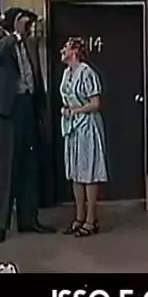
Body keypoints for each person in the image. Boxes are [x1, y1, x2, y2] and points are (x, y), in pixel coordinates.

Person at [0, 8, 56, 243]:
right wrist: (14, 36)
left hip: (27, 106)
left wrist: (40, 107)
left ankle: (29, 219)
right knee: (7, 166)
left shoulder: (29, 44)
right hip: (6, 110)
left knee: (29, 165)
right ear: (14, 23)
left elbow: (36, 75)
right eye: (25, 23)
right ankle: (0, 225)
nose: (29, 29)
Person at [59, 37, 108, 236]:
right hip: (72, 127)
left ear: (75, 51)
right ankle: (79, 217)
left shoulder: (87, 73)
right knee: (76, 172)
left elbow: (95, 103)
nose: (62, 50)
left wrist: (76, 110)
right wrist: (66, 110)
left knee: (89, 172)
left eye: (66, 47)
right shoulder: (66, 73)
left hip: (88, 126)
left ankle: (91, 220)